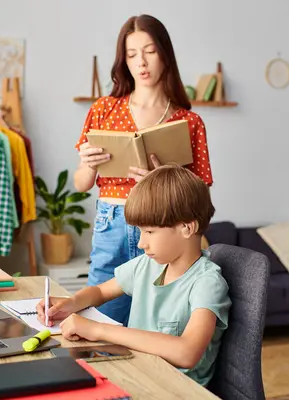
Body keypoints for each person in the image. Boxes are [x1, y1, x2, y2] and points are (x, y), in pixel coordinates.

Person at [74, 14, 213, 326]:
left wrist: (163, 181)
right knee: (100, 322)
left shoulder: (188, 122)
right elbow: (82, 183)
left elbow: (202, 193)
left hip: (164, 229)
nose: (142, 62)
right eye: (132, 54)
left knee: (155, 324)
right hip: (111, 223)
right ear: (124, 60)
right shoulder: (104, 109)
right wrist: (86, 163)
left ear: (165, 54)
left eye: (150, 51)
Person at [36, 165, 230, 387]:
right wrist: (71, 303)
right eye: (140, 231)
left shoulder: (207, 283)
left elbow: (187, 352)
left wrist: (97, 329)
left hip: (173, 390)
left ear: (186, 228)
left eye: (149, 232)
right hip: (134, 376)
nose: (141, 243)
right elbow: (100, 290)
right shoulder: (147, 265)